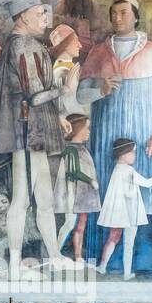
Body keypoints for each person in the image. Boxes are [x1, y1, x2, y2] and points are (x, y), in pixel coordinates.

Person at [78, 0, 152, 271]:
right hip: (106, 131)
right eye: (114, 13)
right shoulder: (97, 52)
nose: (118, 18)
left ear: (135, 16)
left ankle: (143, 257)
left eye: (123, 13)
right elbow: (82, 94)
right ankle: (103, 256)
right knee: (107, 187)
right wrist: (101, 88)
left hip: (141, 132)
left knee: (142, 189)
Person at [0, 0, 65, 273]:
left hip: (32, 133)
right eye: (41, 13)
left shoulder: (20, 43)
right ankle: (15, 261)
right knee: (22, 200)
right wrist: (62, 87)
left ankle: (53, 256)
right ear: (24, 16)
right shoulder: (25, 45)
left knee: (44, 200)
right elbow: (35, 96)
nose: (46, 19)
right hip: (28, 132)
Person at [95, 138, 152, 280]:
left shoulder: (117, 170)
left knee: (113, 238)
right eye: (133, 152)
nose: (134, 156)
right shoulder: (129, 171)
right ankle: (126, 273)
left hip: (118, 212)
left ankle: (102, 267)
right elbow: (147, 183)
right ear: (123, 154)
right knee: (128, 244)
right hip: (130, 213)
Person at [54, 113, 99, 263]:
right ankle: (54, 252)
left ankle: (78, 256)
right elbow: (74, 171)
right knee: (69, 223)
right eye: (86, 128)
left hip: (84, 194)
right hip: (72, 193)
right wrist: (90, 180)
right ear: (77, 129)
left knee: (81, 224)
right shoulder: (70, 150)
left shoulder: (82, 149)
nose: (89, 131)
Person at [49, 23, 82, 118]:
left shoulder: (69, 67)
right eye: (76, 41)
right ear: (66, 44)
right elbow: (63, 107)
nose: (80, 45)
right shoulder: (61, 71)